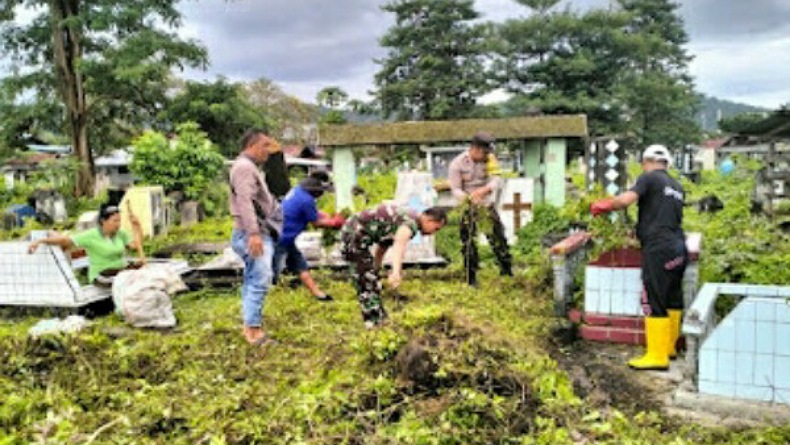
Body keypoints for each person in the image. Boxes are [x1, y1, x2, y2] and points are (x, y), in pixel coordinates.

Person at [590, 144, 688, 371]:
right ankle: (669, 348)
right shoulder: (677, 185)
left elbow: (625, 200)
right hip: (678, 248)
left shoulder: (649, 178)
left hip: (659, 248)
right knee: (672, 297)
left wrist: (603, 205)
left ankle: (656, 355)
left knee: (653, 298)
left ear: (647, 161)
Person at [340, 204, 447, 328]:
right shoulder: (410, 224)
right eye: (436, 229)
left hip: (354, 233)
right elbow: (399, 246)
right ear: (429, 220)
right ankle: (374, 324)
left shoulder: (407, 218)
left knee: (370, 278)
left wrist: (376, 268)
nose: (433, 233)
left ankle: (380, 319)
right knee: (367, 283)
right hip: (353, 236)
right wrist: (396, 272)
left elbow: (384, 243)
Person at [229, 128, 283, 346]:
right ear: (253, 145)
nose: (268, 152)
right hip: (252, 232)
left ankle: (249, 326)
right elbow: (245, 202)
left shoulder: (249, 167)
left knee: (253, 279)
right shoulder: (243, 168)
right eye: (265, 146)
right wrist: (253, 233)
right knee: (259, 280)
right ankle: (254, 332)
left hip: (255, 231)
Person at [448, 131, 513, 286]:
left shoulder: (490, 160)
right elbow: (455, 189)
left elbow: (496, 179)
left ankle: (506, 270)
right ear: (475, 149)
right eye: (484, 152)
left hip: (486, 205)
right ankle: (471, 276)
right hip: (467, 206)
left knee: (498, 238)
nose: (486, 156)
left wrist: (484, 190)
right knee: (468, 241)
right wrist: (468, 199)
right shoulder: (457, 164)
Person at [28, 203, 145, 285]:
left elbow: (136, 245)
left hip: (120, 271)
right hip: (102, 275)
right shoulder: (91, 235)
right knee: (129, 280)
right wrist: (41, 241)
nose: (118, 224)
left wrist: (137, 226)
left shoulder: (120, 234)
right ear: (103, 221)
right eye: (115, 221)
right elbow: (65, 241)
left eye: (119, 220)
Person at [273, 172, 344, 301]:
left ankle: (319, 295)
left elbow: (313, 213)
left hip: (285, 237)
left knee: (300, 264)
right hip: (280, 238)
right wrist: (335, 222)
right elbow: (316, 223)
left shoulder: (297, 191)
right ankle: (266, 297)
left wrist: (325, 216)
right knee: (272, 272)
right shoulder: (306, 200)